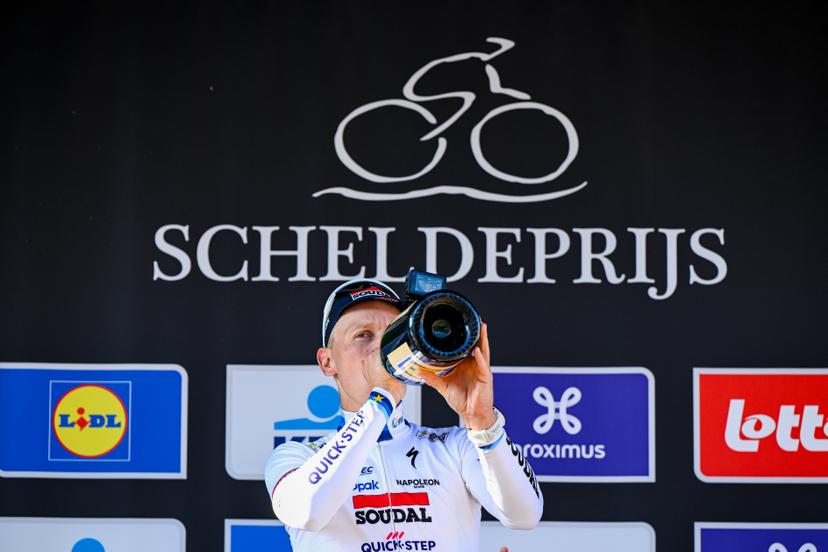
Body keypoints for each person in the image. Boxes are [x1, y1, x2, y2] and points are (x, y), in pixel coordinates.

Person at [264, 278, 543, 551]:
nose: (378, 348)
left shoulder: (455, 447)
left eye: (389, 336)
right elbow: (307, 512)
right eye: (363, 335)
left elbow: (524, 515)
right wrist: (381, 398)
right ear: (327, 361)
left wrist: (482, 421)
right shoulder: (298, 457)